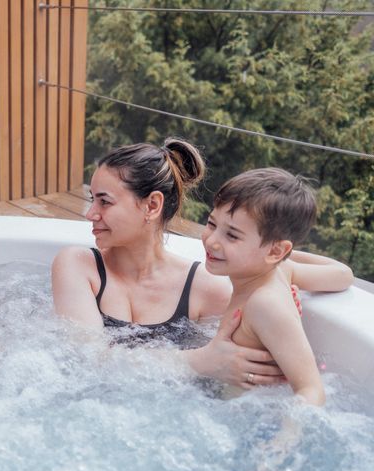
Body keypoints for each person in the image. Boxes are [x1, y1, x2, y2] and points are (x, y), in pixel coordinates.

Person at [52, 138, 288, 387]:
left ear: (152, 205)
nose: (91, 214)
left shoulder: (207, 290)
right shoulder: (78, 265)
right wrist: (198, 361)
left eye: (105, 201)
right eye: (93, 199)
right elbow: (86, 361)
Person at [202, 168, 354, 405]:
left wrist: (284, 440)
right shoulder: (282, 270)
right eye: (212, 224)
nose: (212, 241)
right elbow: (343, 274)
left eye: (232, 236)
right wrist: (281, 255)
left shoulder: (264, 303)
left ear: (275, 251)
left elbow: (311, 390)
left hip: (239, 418)